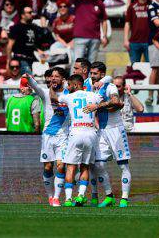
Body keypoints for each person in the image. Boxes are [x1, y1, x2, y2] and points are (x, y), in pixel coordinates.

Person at [49, 74, 102, 207]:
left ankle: (67, 199)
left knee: (71, 166)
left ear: (76, 85)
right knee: (85, 166)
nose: (68, 87)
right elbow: (103, 97)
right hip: (90, 133)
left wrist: (51, 86)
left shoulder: (69, 97)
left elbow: (53, 98)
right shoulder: (92, 95)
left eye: (69, 85)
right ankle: (80, 196)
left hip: (75, 133)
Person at [86, 61, 129, 208]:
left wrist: (97, 106)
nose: (92, 76)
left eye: (95, 74)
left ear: (102, 74)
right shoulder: (94, 89)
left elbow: (116, 101)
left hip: (116, 129)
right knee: (98, 164)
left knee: (123, 165)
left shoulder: (110, 87)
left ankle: (124, 198)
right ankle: (109, 195)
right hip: (102, 131)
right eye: (91, 73)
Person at [27, 67, 69, 207]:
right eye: (52, 76)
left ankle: (57, 197)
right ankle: (50, 196)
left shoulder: (69, 95)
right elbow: (35, 86)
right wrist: (28, 78)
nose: (53, 78)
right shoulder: (45, 93)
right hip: (48, 136)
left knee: (61, 166)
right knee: (48, 167)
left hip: (63, 136)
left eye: (57, 76)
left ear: (63, 79)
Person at [69, 0, 109, 64]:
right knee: (77, 62)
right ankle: (74, 77)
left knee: (92, 63)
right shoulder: (79, 0)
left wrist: (104, 36)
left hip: (95, 37)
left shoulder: (99, 3)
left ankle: (90, 77)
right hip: (80, 36)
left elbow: (104, 20)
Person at [7, 6, 44, 74]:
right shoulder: (16, 28)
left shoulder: (34, 27)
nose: (31, 14)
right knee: (30, 78)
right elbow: (9, 46)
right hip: (21, 59)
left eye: (32, 12)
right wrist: (8, 62)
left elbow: (33, 43)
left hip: (33, 58)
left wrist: (39, 50)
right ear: (22, 15)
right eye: (29, 12)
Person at [123, 0, 150, 64]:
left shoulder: (151, 5)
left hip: (149, 42)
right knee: (134, 67)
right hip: (134, 42)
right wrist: (125, 40)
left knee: (150, 67)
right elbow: (127, 23)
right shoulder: (132, 6)